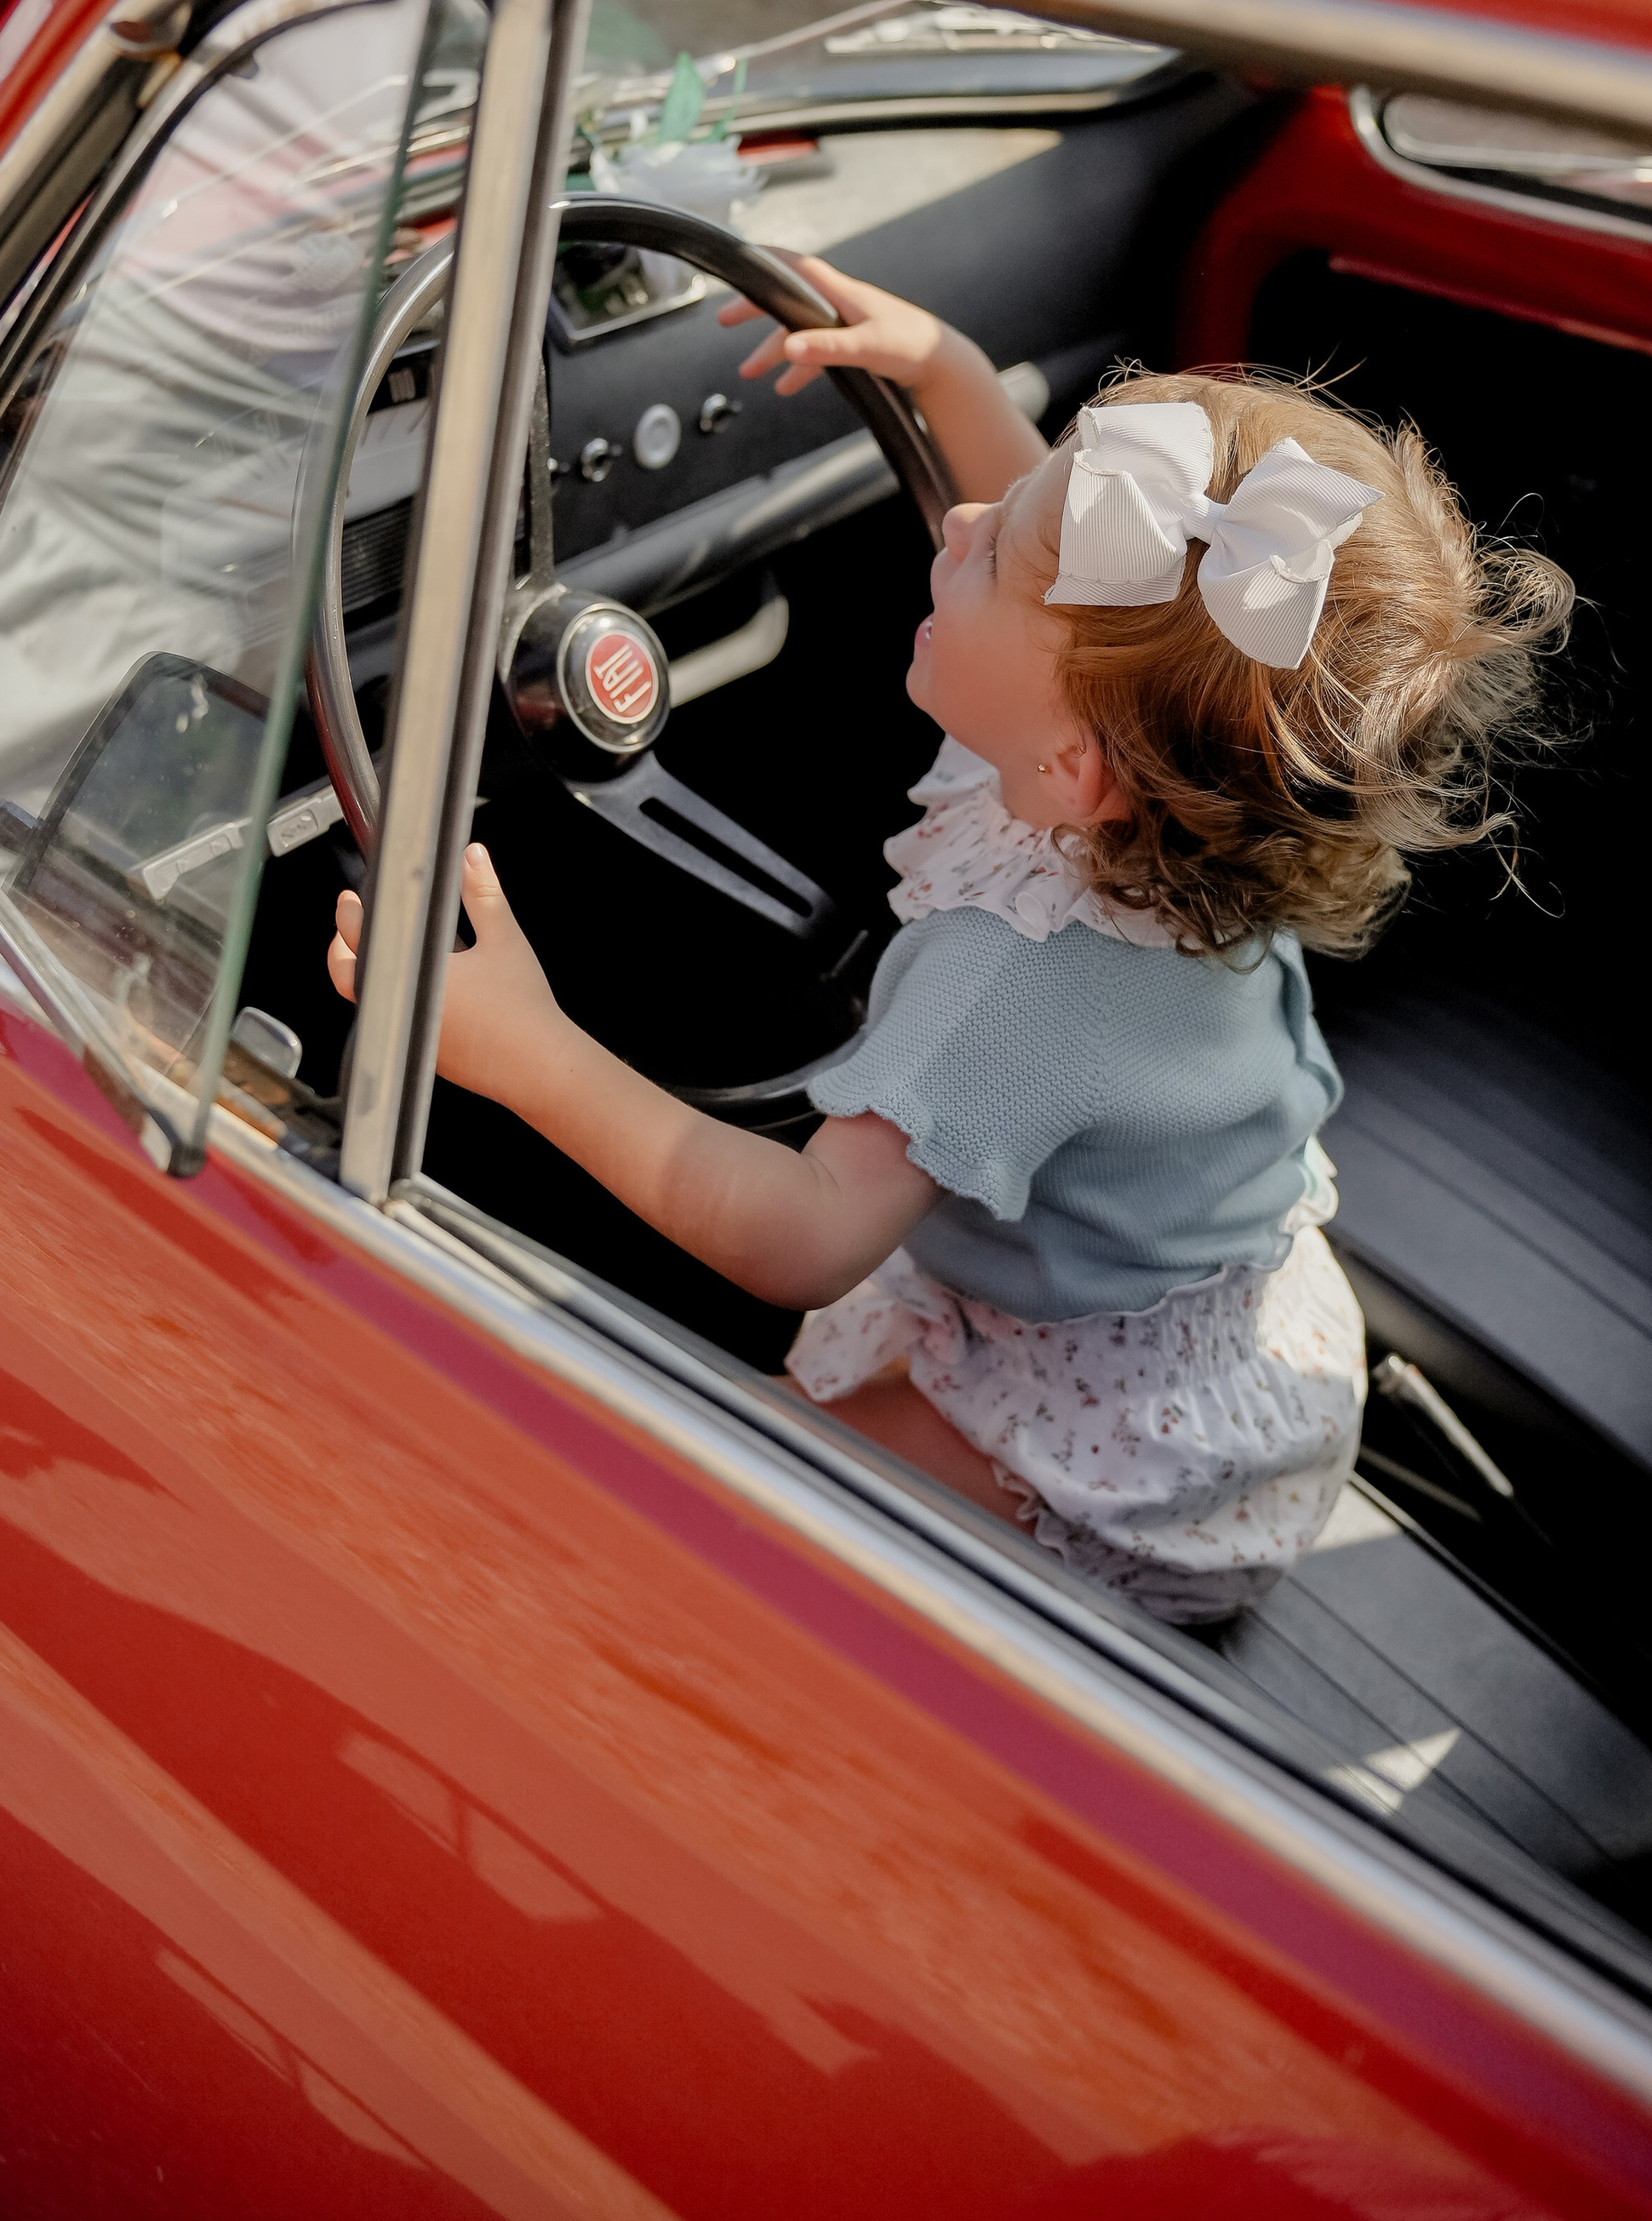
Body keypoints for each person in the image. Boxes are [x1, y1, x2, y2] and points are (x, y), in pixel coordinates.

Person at [329, 264, 1569, 1626]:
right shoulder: (1172, 800)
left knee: (718, 1502)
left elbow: (801, 1240)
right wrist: (954, 371)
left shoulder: (1014, 979)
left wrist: (534, 1055)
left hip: (1124, 1442)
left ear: (1072, 764)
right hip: (1200, 1305)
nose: (965, 516)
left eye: (996, 551)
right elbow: (1058, 567)